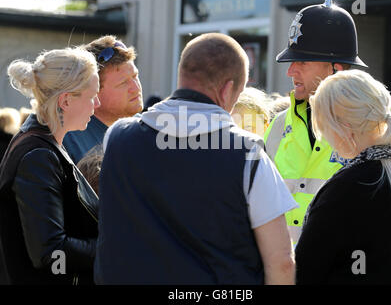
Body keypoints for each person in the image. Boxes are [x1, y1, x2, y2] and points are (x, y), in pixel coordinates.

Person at [95, 33, 298, 284]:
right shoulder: (248, 154)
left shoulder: (116, 137)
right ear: (226, 90)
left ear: (182, 76)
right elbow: (282, 262)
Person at [264, 0, 391, 244]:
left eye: (302, 61)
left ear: (336, 69)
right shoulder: (278, 125)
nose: (290, 71)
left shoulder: (381, 126)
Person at [295, 69, 391, 284]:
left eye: (324, 128)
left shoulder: (342, 190)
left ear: (345, 129)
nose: (325, 138)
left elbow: (306, 271)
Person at [0, 47, 100, 285]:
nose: (96, 104)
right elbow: (50, 254)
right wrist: (111, 249)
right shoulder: (38, 155)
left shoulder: (41, 143)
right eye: (92, 95)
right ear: (66, 100)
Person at [63, 35, 143, 164]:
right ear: (94, 91)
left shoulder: (145, 129)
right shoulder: (69, 140)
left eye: (135, 76)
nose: (135, 87)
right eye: (123, 83)